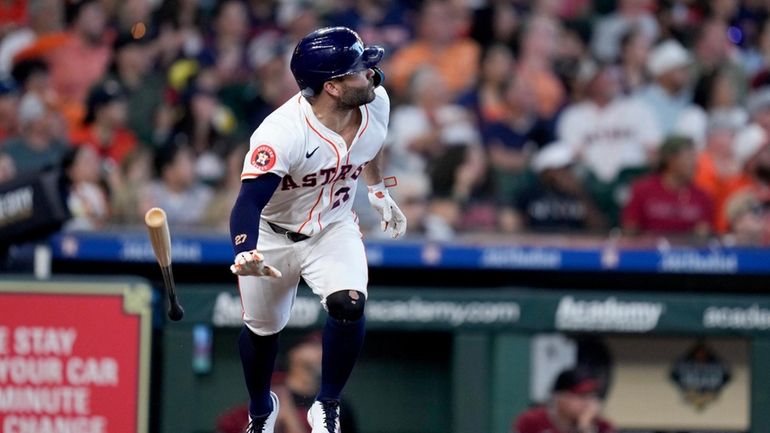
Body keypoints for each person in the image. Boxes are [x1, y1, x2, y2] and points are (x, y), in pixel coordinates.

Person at [228, 27, 406, 433]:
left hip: (333, 227)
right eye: (360, 70)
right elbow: (248, 202)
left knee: (349, 304)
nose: (372, 74)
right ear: (333, 87)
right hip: (273, 233)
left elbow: (370, 144)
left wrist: (377, 191)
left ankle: (326, 403)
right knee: (262, 330)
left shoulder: (376, 100)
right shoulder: (281, 133)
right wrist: (244, 250)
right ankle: (260, 410)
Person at [513, 368, 615, 433]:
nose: (588, 403)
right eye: (582, 396)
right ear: (559, 398)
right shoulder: (532, 421)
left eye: (592, 396)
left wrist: (586, 429)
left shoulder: (602, 426)